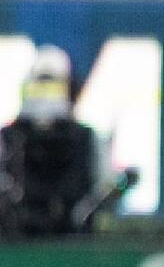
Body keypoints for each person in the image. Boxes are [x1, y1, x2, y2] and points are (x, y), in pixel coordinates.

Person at [0, 45, 97, 237]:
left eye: (52, 87)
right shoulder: (10, 138)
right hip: (17, 235)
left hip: (71, 236)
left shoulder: (84, 138)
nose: (44, 95)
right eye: (38, 86)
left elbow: (93, 192)